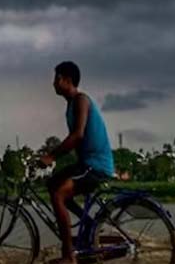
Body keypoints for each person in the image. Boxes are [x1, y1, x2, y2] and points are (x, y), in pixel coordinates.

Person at [38, 60, 115, 264]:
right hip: (86, 164)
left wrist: (51, 156)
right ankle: (89, 227)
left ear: (67, 80)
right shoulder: (71, 105)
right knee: (52, 183)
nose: (53, 83)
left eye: (57, 78)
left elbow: (77, 136)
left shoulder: (81, 100)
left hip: (96, 166)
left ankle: (69, 255)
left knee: (58, 193)